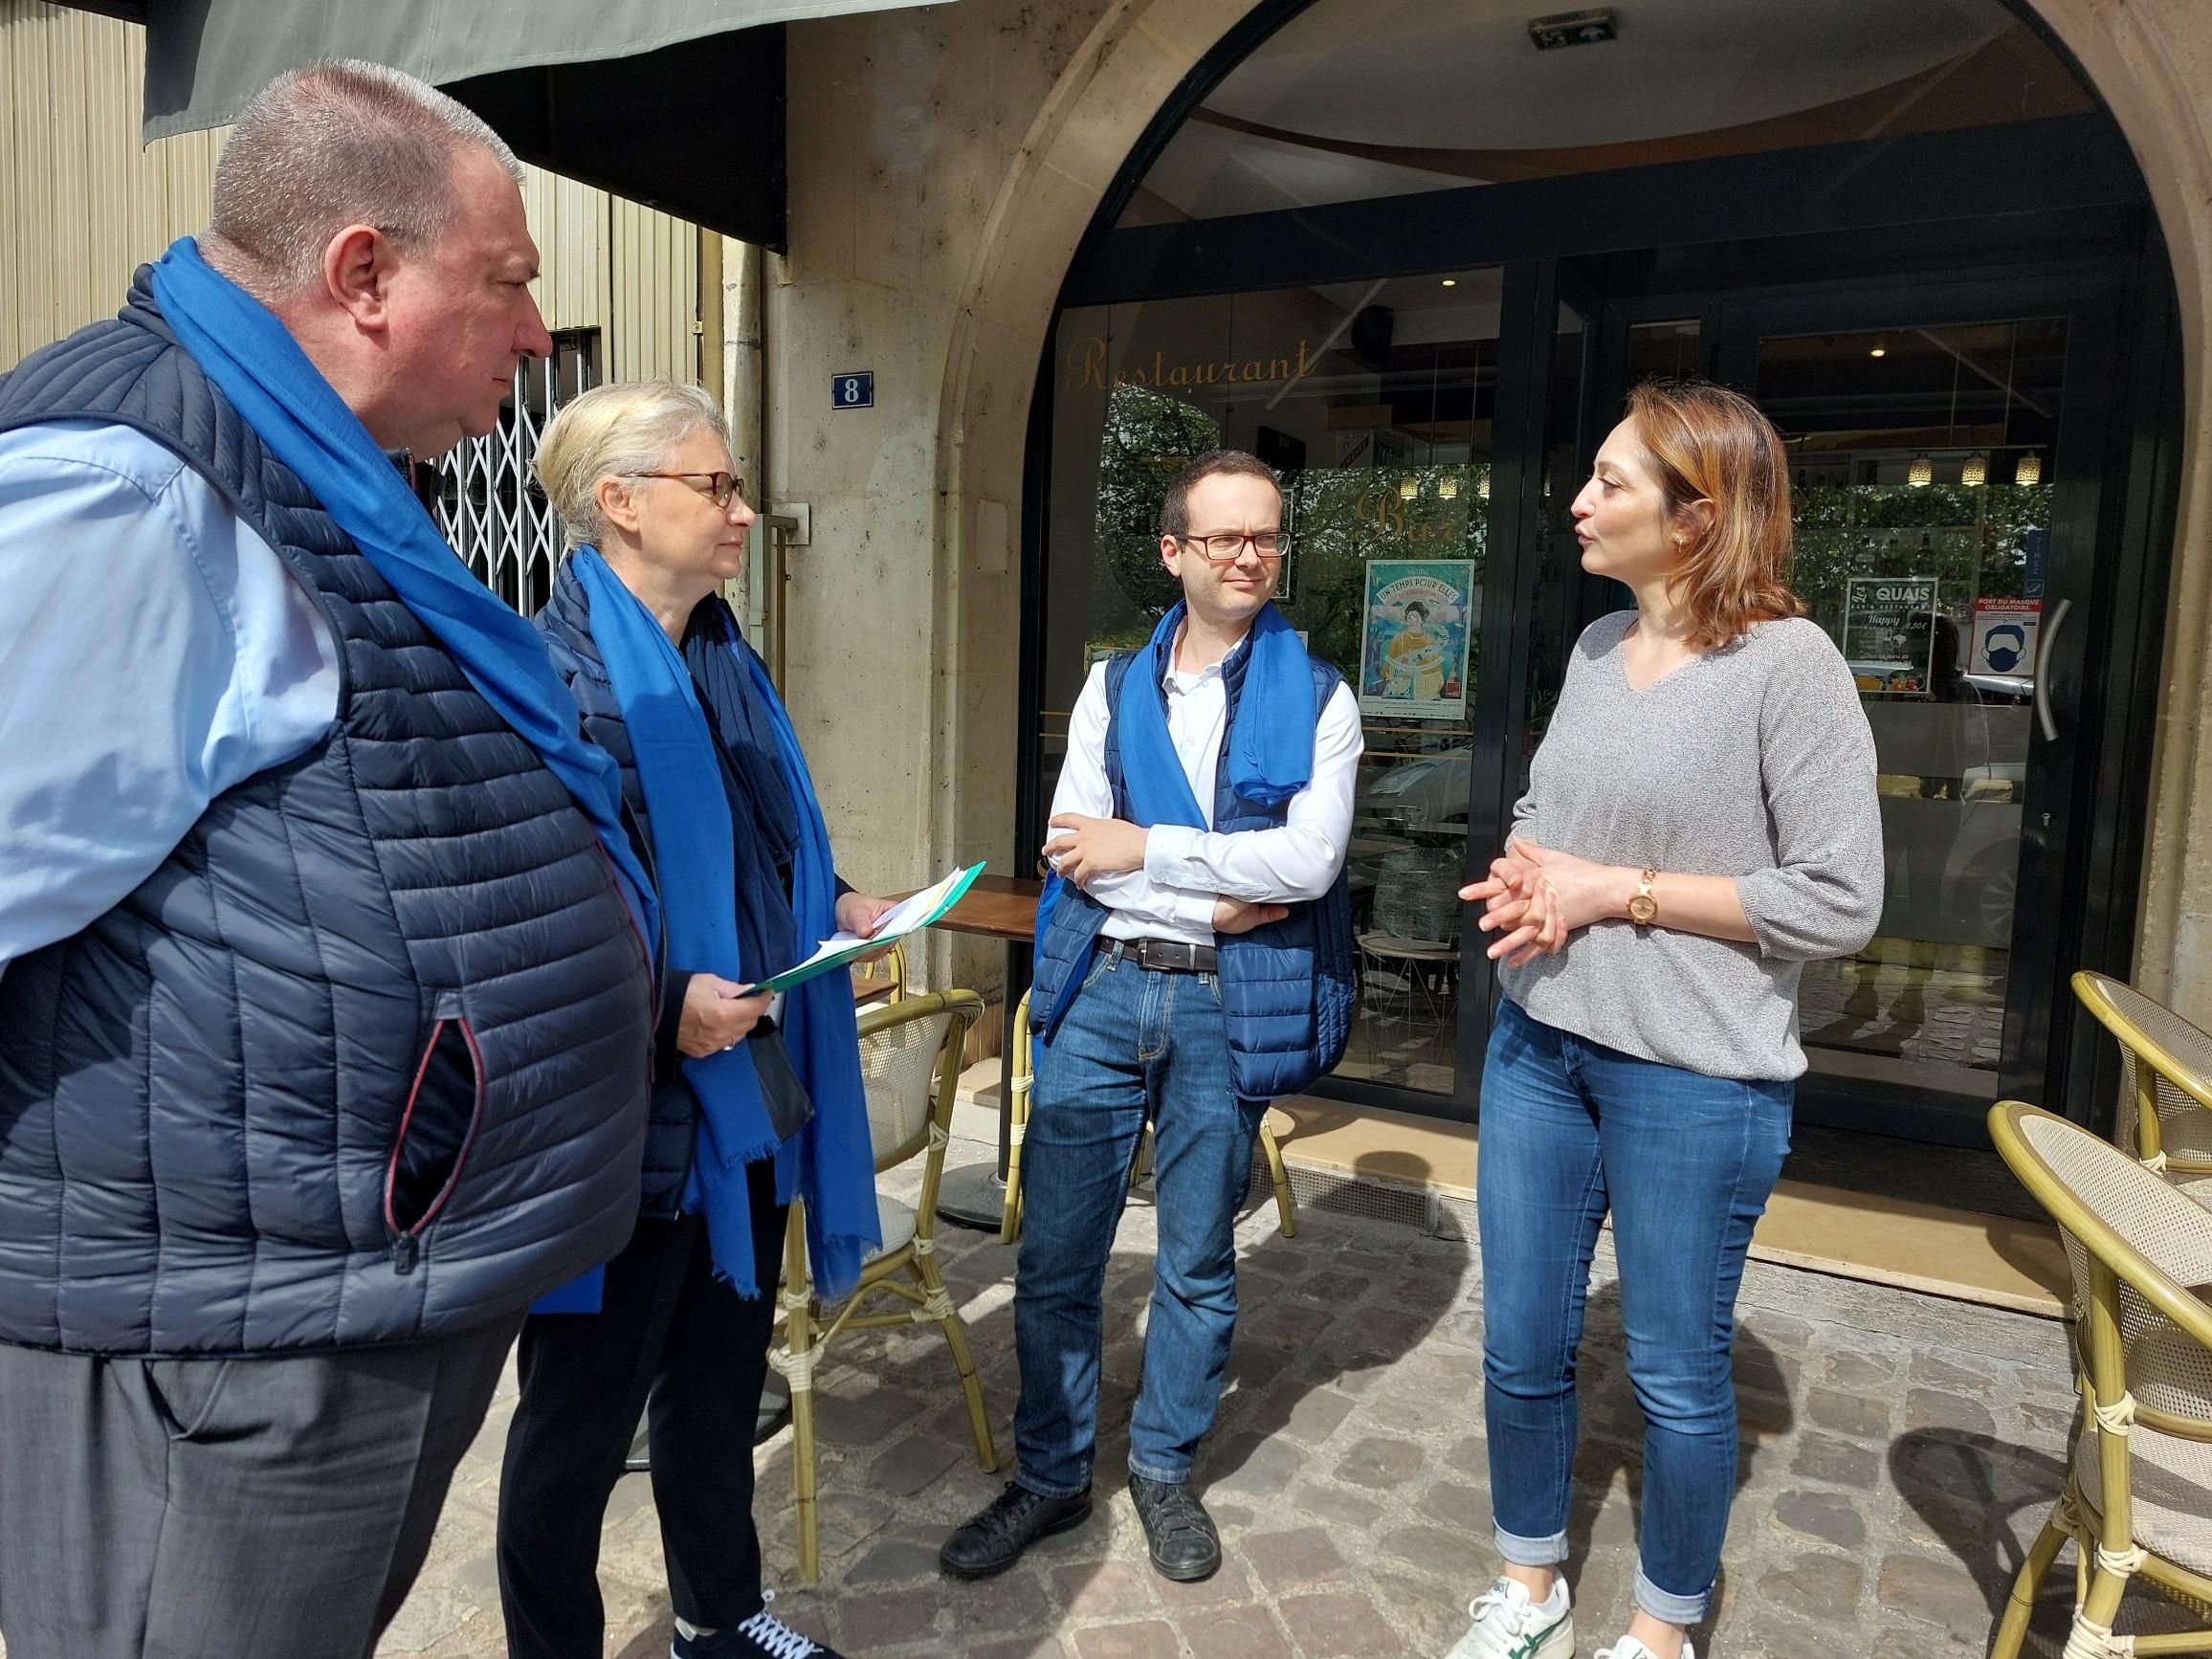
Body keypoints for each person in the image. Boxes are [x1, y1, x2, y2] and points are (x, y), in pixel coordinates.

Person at [0, 61, 659, 1658]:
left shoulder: (310, 463)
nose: (529, 333)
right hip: (219, 1350)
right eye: (505, 283)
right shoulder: (122, 485)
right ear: (361, 276)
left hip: (324, 1303)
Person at [1445, 379, 1882, 1659]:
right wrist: (1533, 870)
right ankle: (1528, 1588)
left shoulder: (1787, 666)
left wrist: (1611, 891)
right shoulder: (1593, 649)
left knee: (1677, 1378)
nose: (1579, 502)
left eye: (1611, 484)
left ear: (1699, 516)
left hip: (1694, 1077)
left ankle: (1661, 1628)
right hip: (1541, 1048)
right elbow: (1552, 805)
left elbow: (1840, 896)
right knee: (1522, 1336)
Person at [498, 381, 888, 1659]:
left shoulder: (725, 654)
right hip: (623, 1120)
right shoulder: (541, 678)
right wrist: (665, 1006)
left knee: (719, 1389)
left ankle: (718, 1617)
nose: (743, 509)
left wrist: (830, 903)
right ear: (620, 502)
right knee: (577, 1428)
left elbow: (755, 849)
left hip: (747, 1096)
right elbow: (519, 914)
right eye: (715, 486)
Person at [939, 449, 1362, 1584]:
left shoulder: (1319, 697)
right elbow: (1076, 845)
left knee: (1194, 1262)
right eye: (1223, 537)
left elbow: (1309, 862)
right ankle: (1050, 1475)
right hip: (1102, 988)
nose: (1248, 555)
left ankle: (1165, 1470)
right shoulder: (1110, 686)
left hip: (1228, 1006)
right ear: (1172, 551)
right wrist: (1213, 881)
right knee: (1058, 1256)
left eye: (1265, 535)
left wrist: (1150, 849)